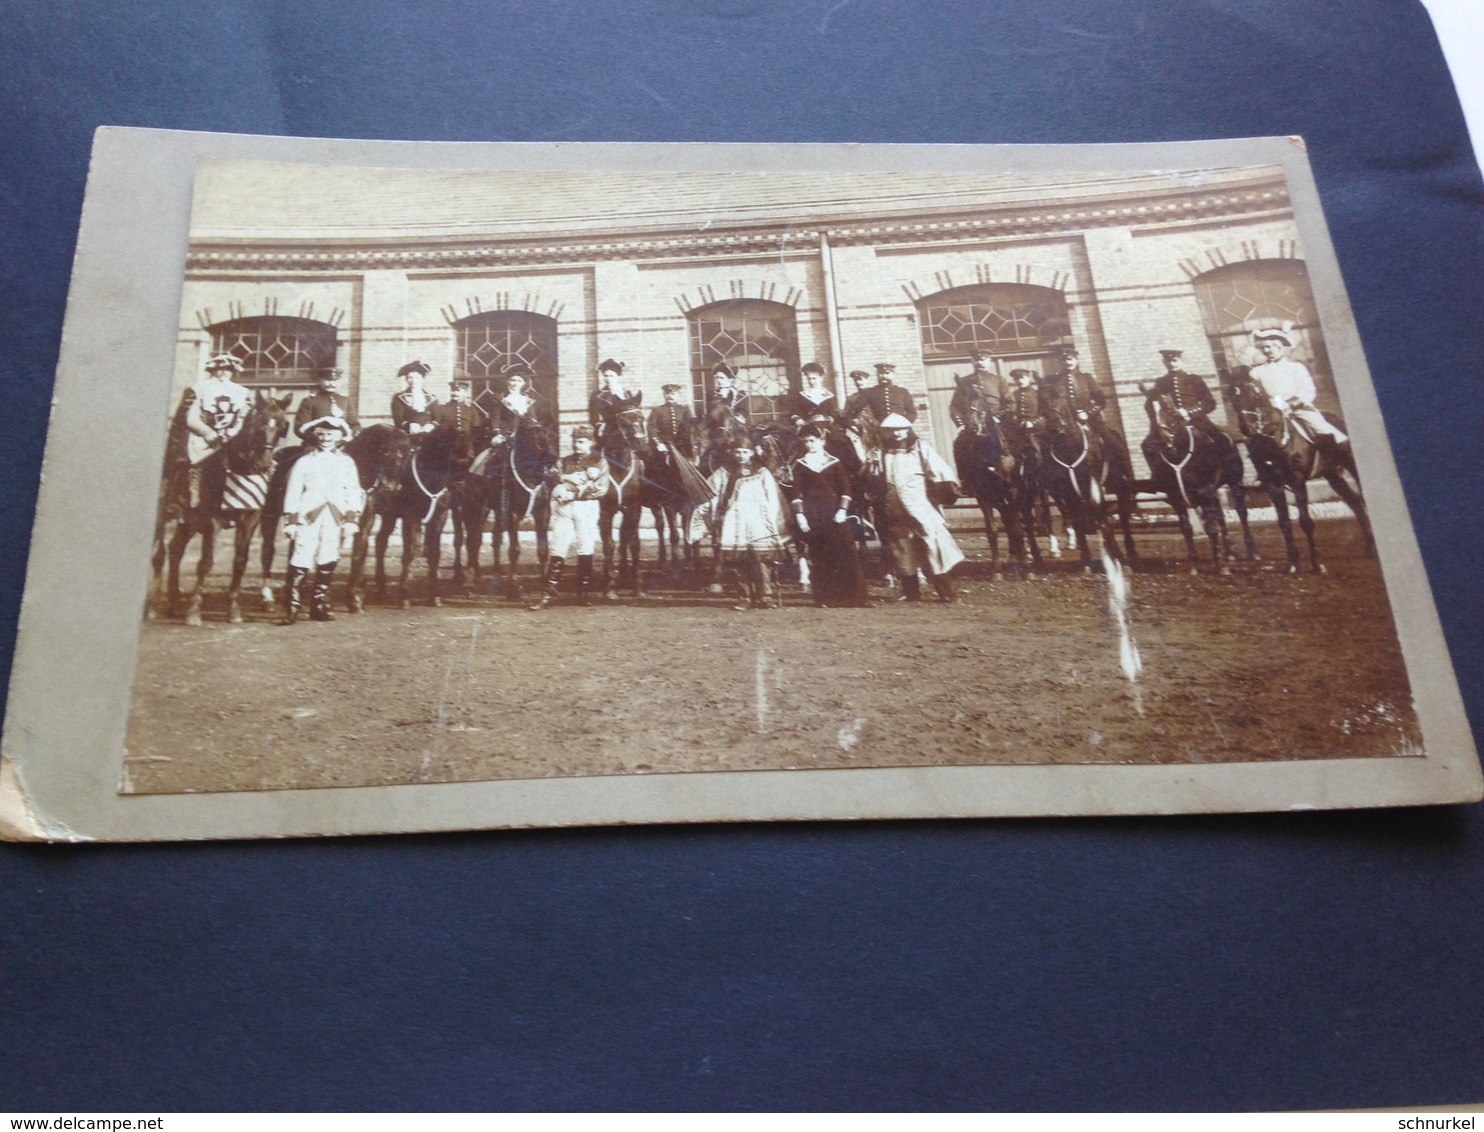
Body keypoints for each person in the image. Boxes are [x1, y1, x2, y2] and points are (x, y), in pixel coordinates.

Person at [280, 417, 365, 624]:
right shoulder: (304, 461)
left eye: (331, 435)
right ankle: (292, 607)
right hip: (308, 514)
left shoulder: (346, 462)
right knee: (301, 554)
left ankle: (318, 604)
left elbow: (353, 490)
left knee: (328, 555)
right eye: (322, 434)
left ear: (339, 437)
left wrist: (351, 519)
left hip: (335, 516)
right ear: (316, 436)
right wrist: (290, 520)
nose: (326, 438)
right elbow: (292, 491)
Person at [873, 412, 965, 602]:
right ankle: (910, 592)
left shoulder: (920, 447)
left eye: (900, 429)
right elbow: (877, 476)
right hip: (895, 507)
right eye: (892, 430)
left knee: (933, 546)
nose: (897, 433)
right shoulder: (883, 451)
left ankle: (946, 592)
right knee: (903, 549)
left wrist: (941, 491)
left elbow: (938, 469)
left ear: (907, 428)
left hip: (919, 506)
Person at [692, 437, 792, 610]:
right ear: (732, 452)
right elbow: (710, 492)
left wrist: (773, 519)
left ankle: (765, 596)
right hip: (734, 521)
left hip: (758, 521)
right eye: (737, 452)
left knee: (761, 559)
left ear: (752, 453)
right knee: (738, 560)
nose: (741, 455)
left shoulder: (761, 471)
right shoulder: (725, 471)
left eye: (745, 452)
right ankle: (744, 596)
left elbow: (773, 497)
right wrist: (709, 507)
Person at [788, 424, 866, 607]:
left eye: (812, 441)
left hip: (834, 514)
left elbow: (845, 490)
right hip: (813, 516)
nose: (809, 445)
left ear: (822, 441)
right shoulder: (799, 465)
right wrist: (800, 516)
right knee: (820, 556)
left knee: (846, 553)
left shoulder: (835, 463)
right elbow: (796, 493)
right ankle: (826, 598)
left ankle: (855, 598)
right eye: (806, 441)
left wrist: (842, 510)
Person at [530, 425, 608, 610]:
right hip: (564, 508)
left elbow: (601, 489)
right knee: (558, 546)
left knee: (585, 546)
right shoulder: (564, 461)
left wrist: (571, 493)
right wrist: (569, 477)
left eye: (581, 441)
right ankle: (548, 594)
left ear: (590, 442)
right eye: (574, 440)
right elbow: (550, 477)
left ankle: (583, 594)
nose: (576, 444)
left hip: (586, 507)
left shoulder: (599, 462)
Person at [169, 352, 253, 512]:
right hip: (202, 438)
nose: (223, 372)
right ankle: (187, 499)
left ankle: (235, 503)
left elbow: (243, 417)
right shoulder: (198, 389)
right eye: (220, 368)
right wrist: (207, 432)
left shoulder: (242, 392)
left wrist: (230, 433)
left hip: (230, 438)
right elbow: (190, 418)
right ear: (213, 369)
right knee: (193, 460)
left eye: (228, 368)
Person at [1248, 325, 1348, 446]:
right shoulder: (1258, 372)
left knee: (1323, 429)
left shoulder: (1295, 367)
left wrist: (1293, 404)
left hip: (1298, 409)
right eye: (1263, 348)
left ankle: (1340, 456)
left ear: (1279, 347)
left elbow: (1308, 390)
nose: (1266, 351)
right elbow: (1256, 393)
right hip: (1273, 412)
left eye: (1269, 347)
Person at [1040, 344, 1130, 474]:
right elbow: (1047, 402)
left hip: (1091, 421)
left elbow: (1101, 401)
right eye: (1064, 360)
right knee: (1046, 449)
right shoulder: (1053, 380)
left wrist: (1087, 413)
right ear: (1060, 362)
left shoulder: (1086, 378)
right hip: (1064, 423)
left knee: (1113, 443)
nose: (1067, 362)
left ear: (1076, 360)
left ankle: (1122, 477)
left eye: (1070, 359)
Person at [1141, 349, 1232, 449]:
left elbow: (1209, 403)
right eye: (1168, 361)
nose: (1171, 364)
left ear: (1181, 361)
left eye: (1174, 360)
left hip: (1197, 421)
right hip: (1173, 424)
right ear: (1164, 362)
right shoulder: (1161, 382)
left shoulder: (1194, 379)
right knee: (1147, 445)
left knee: (1222, 440)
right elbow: (1155, 404)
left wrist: (1187, 412)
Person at [949, 351, 1010, 477]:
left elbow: (1010, 403)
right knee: (959, 445)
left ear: (989, 361)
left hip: (997, 422)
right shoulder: (964, 382)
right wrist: (961, 424)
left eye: (984, 359)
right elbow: (955, 406)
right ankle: (966, 481)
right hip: (974, 424)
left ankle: (1022, 477)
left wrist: (999, 417)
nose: (980, 362)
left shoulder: (999, 380)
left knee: (1018, 444)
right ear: (972, 362)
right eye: (977, 360)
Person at [293, 367, 360, 443]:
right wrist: (319, 439)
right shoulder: (309, 401)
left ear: (340, 382)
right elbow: (299, 428)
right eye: (327, 380)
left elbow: (355, 425)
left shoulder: (345, 400)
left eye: (335, 380)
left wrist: (346, 438)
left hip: (341, 444)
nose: (331, 384)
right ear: (319, 381)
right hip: (315, 444)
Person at [588, 358, 643, 443]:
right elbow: (593, 416)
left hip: (626, 430)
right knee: (597, 453)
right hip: (606, 431)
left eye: (611, 376)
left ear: (617, 377)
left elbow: (633, 414)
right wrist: (600, 426)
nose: (608, 379)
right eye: (606, 376)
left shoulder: (626, 393)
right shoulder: (596, 395)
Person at [844, 361, 917, 424]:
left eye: (887, 373)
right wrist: (853, 423)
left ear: (893, 375)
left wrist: (903, 423)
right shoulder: (870, 392)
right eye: (881, 373)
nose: (884, 376)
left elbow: (912, 413)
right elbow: (853, 411)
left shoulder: (902, 392)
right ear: (877, 375)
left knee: (917, 440)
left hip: (900, 427)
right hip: (879, 429)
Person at [648, 383, 700, 459]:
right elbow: (651, 428)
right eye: (667, 394)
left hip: (681, 448)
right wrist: (658, 443)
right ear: (664, 395)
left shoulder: (685, 410)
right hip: (664, 447)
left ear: (679, 395)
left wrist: (693, 447)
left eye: (673, 394)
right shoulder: (657, 410)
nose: (670, 396)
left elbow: (691, 429)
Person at [785, 361, 840, 428]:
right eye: (809, 379)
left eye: (814, 378)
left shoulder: (829, 396)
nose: (811, 382)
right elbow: (794, 412)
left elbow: (835, 415)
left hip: (826, 428)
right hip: (806, 427)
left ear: (821, 378)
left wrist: (824, 418)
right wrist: (798, 420)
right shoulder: (802, 396)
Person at [390, 360, 438, 435]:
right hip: (406, 434)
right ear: (406, 380)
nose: (413, 380)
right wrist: (409, 426)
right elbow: (398, 419)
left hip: (428, 434)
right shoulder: (399, 398)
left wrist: (431, 425)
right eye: (410, 377)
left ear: (422, 379)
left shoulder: (431, 398)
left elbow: (437, 418)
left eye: (416, 377)